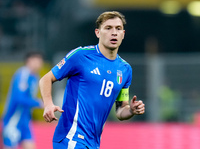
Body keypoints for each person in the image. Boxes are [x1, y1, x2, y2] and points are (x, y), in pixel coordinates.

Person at [39, 11, 145, 149]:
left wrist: (130, 110)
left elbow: (120, 110)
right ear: (98, 33)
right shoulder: (81, 56)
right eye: (108, 28)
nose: (114, 32)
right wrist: (48, 104)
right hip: (71, 137)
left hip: (93, 143)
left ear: (123, 34)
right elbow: (46, 79)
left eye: (118, 28)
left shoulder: (125, 70)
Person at [2, 52, 44, 149]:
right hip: (13, 120)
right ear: (29, 61)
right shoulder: (23, 74)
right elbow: (19, 98)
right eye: (37, 61)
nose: (40, 64)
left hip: (25, 121)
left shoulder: (35, 77)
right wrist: (38, 103)